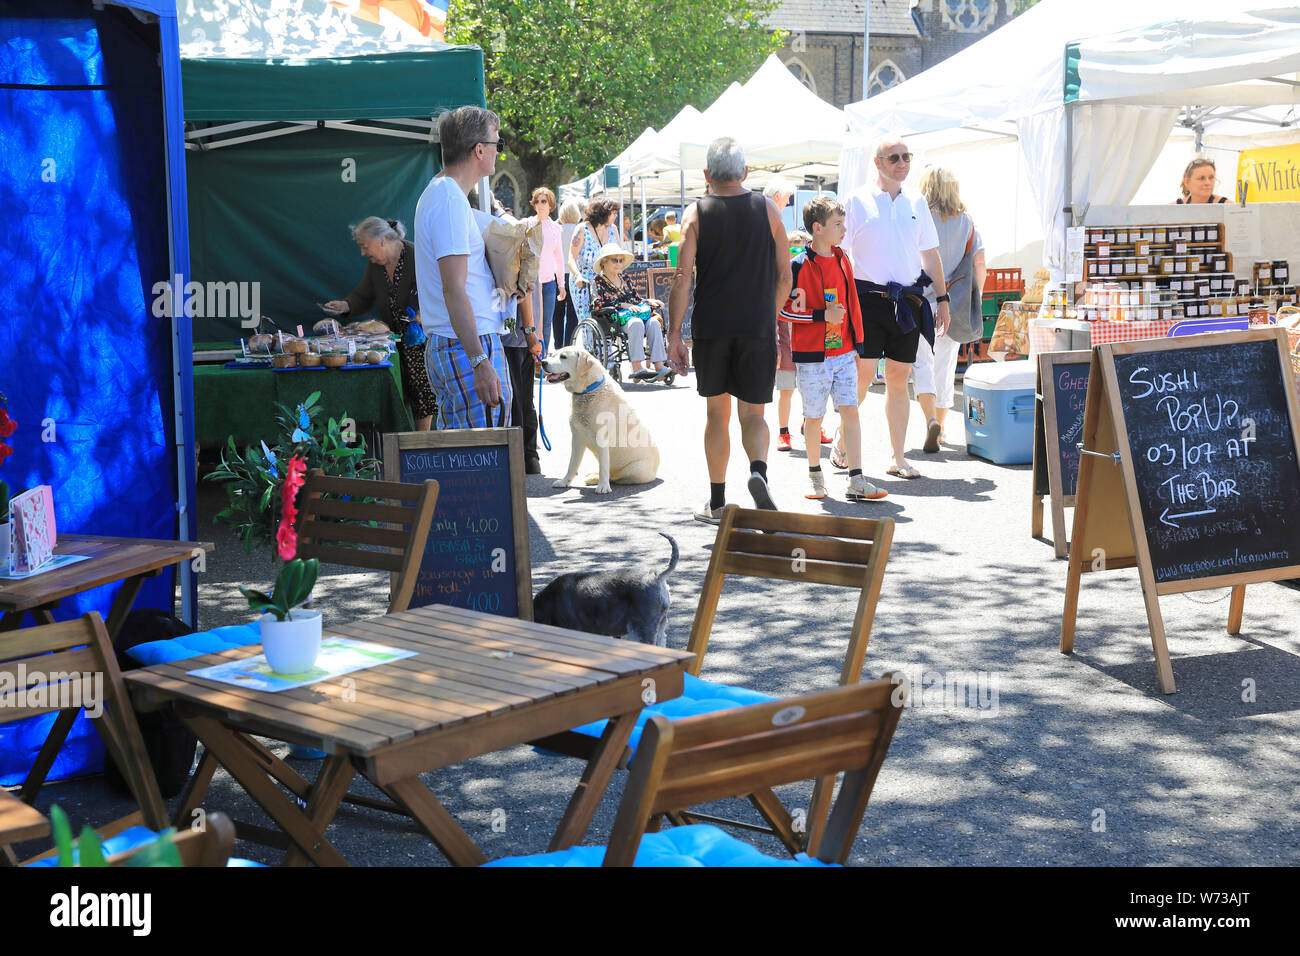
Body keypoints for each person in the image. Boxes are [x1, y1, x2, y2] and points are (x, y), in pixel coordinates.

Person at [667, 136, 793, 523]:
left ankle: (718, 503)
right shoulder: (768, 209)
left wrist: (673, 334)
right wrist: (767, 316)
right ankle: (759, 473)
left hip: (713, 328)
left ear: (707, 175)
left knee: (716, 416)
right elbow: (785, 276)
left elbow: (682, 277)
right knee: (754, 416)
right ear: (745, 173)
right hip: (756, 326)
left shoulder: (696, 213)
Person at [837, 133, 950, 480]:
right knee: (863, 375)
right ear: (877, 163)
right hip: (865, 299)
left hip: (908, 301)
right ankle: (843, 440)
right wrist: (834, 300)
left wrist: (942, 299)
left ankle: (897, 457)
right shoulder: (856, 200)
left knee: (900, 378)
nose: (902, 163)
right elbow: (839, 253)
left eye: (906, 157)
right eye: (894, 158)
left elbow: (929, 253)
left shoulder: (916, 202)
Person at [780, 196, 888, 502]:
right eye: (838, 224)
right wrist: (821, 316)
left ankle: (856, 479)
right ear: (818, 228)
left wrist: (857, 345)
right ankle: (815, 476)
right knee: (814, 418)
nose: (844, 230)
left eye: (844, 224)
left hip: (843, 353)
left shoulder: (843, 260)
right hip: (812, 358)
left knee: (850, 413)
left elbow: (853, 303)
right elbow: (784, 310)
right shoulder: (799, 266)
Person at [414, 105, 511, 429]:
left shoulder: (446, 194)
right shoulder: (448, 198)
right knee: (485, 464)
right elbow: (453, 288)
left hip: (462, 343)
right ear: (479, 149)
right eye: (497, 143)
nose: (499, 150)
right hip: (466, 345)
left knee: (470, 458)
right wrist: (479, 360)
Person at [324, 216, 437, 430]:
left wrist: (424, 312)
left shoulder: (417, 255)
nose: (363, 253)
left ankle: (422, 444)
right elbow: (363, 296)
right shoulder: (376, 266)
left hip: (421, 340)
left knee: (423, 398)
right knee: (398, 395)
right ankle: (403, 443)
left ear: (383, 240)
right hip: (393, 342)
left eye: (365, 246)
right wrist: (345, 305)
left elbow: (438, 289)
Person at [912, 166, 986, 451]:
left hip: (919, 300)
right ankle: (940, 428)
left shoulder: (918, 218)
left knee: (922, 364)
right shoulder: (967, 222)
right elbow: (979, 265)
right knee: (945, 367)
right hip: (952, 304)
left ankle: (930, 419)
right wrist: (967, 299)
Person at [776, 229, 830, 452]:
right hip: (786, 345)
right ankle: (783, 432)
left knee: (814, 391)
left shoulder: (813, 275)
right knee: (786, 391)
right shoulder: (780, 279)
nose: (798, 250)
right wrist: (775, 346)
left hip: (810, 345)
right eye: (793, 246)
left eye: (802, 245)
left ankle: (812, 425)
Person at [589, 243, 669, 381]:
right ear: (604, 262)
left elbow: (636, 298)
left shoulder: (624, 278)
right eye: (615, 260)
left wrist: (648, 301)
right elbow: (597, 304)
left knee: (654, 323)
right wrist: (622, 305)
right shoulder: (597, 282)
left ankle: (659, 366)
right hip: (614, 319)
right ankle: (637, 367)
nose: (619, 263)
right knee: (636, 323)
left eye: (621, 260)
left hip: (634, 313)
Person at [569, 197, 619, 329]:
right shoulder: (582, 229)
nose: (616, 216)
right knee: (589, 322)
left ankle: (606, 349)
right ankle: (590, 348)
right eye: (613, 213)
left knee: (609, 322)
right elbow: (571, 257)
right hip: (584, 282)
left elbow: (620, 256)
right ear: (603, 213)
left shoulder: (613, 230)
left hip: (606, 282)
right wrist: (577, 276)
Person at [526, 187, 565, 355]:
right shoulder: (526, 224)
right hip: (529, 282)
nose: (541, 204)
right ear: (534, 205)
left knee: (547, 322)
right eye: (537, 201)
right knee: (531, 322)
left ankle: (543, 358)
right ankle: (531, 356)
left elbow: (559, 258)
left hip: (548, 282)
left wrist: (561, 284)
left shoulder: (556, 229)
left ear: (550, 205)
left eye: (544, 201)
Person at [556, 199, 584, 346]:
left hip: (558, 275)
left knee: (557, 314)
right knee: (572, 314)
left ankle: (558, 345)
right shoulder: (580, 230)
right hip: (574, 274)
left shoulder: (557, 229)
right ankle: (569, 345)